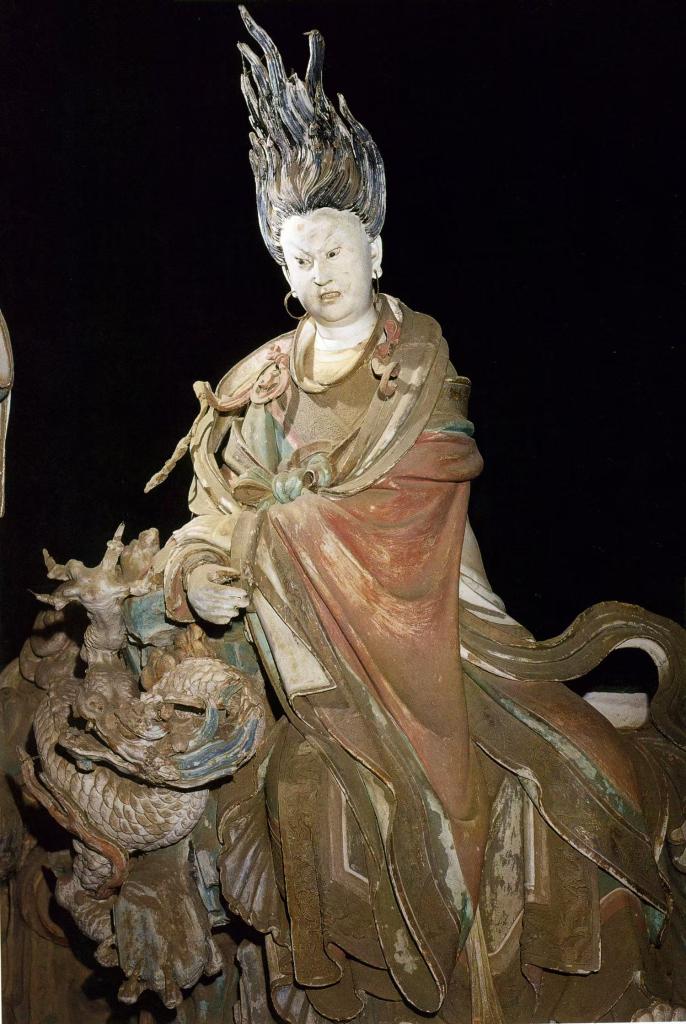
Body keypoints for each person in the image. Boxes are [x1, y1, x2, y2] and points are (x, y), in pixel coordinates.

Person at [147, 9, 686, 1023]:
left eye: (334, 251)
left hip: (442, 624)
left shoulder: (419, 360)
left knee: (567, 768)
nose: (317, 273)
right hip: (320, 656)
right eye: (297, 258)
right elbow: (217, 510)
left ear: (377, 249)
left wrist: (291, 524)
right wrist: (205, 570)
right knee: (301, 787)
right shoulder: (260, 385)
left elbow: (421, 492)